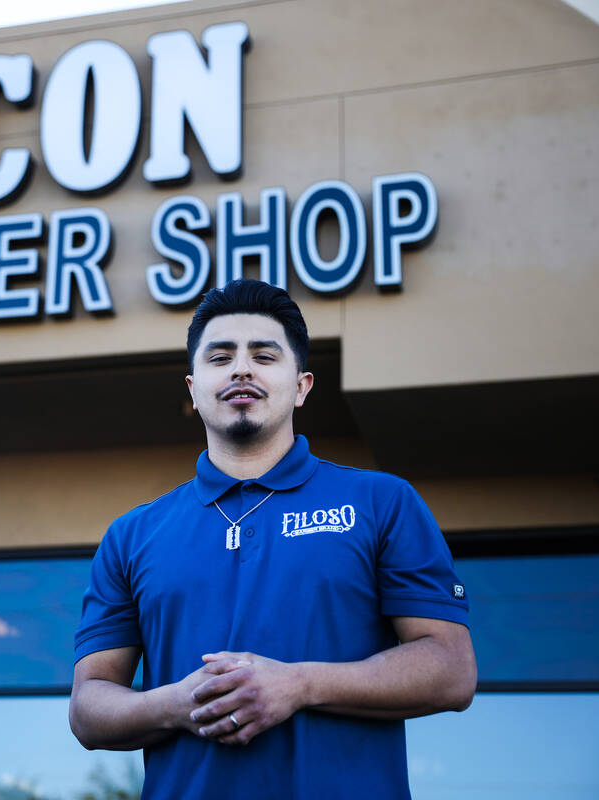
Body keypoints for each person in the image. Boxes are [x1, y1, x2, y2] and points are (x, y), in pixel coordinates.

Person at [69, 279, 476, 799]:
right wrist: (176, 703)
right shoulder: (132, 535)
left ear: (302, 385)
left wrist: (300, 685)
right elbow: (88, 708)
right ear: (193, 389)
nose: (241, 368)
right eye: (220, 357)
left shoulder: (382, 502)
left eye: (264, 355)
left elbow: (450, 668)